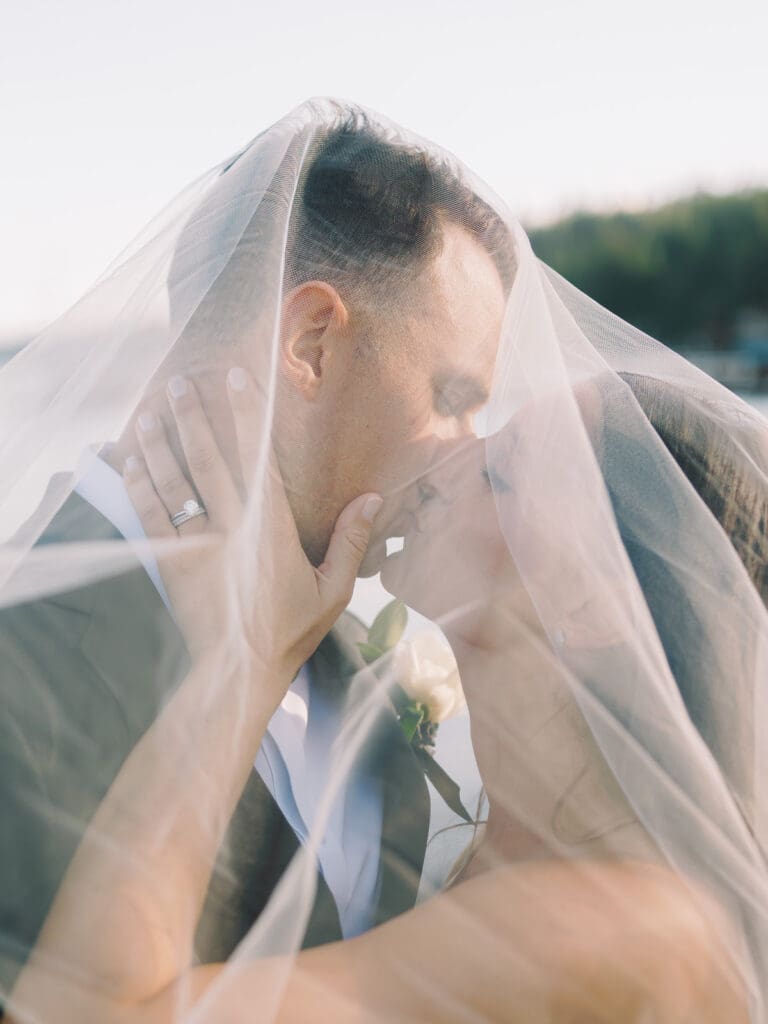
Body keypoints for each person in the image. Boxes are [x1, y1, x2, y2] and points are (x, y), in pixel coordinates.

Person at [2, 98, 767, 1021]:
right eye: (454, 396)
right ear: (312, 343)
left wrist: (239, 666)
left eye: (506, 465)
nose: (460, 454)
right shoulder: (21, 672)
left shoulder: (612, 903)